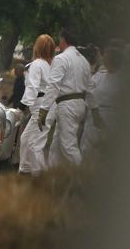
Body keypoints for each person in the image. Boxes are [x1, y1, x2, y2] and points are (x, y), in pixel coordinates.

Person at [37, 28, 98, 166]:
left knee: (68, 146)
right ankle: (53, 181)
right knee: (56, 147)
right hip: (78, 105)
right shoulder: (84, 61)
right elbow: (90, 89)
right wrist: (95, 111)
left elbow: (53, 86)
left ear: (63, 39)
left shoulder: (61, 58)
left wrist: (43, 110)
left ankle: (82, 177)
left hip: (67, 105)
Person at [18, 35, 55, 176]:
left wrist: (22, 107)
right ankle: (25, 170)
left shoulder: (37, 64)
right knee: (26, 139)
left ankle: (38, 176)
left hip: (40, 106)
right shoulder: (49, 66)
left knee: (34, 144)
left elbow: (32, 88)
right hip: (46, 105)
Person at [81, 39, 125, 154]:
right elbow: (88, 93)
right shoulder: (98, 76)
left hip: (111, 120)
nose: (103, 57)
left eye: (106, 55)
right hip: (93, 120)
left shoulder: (123, 79)